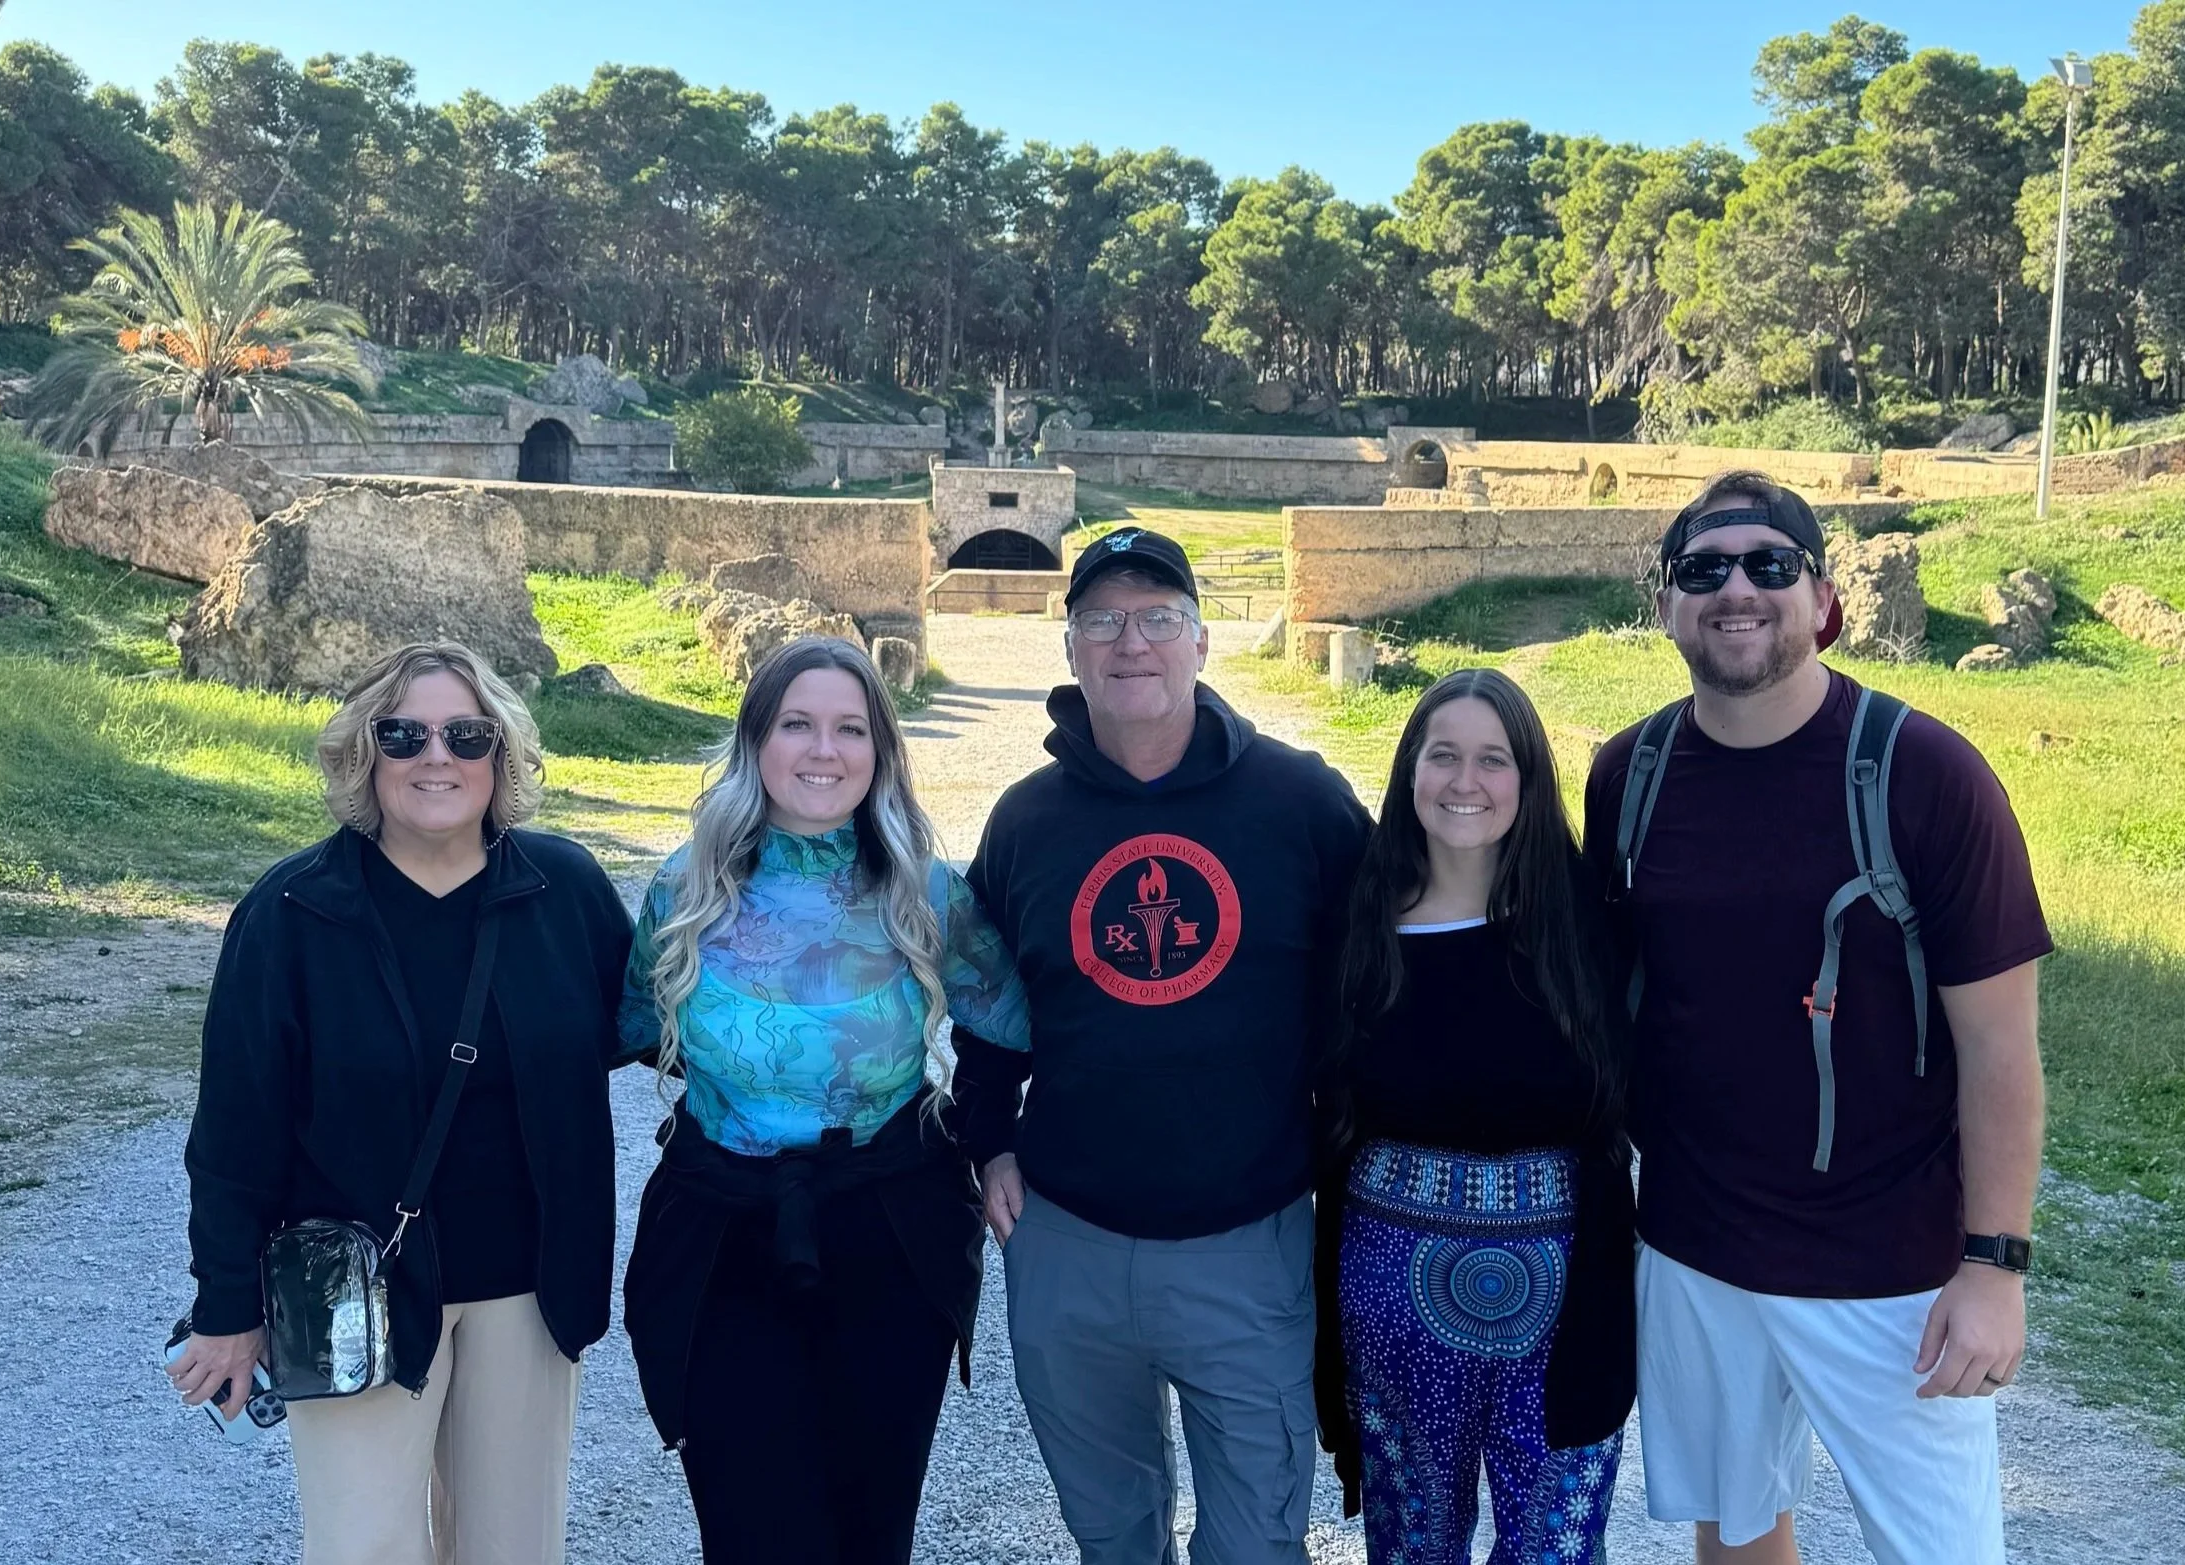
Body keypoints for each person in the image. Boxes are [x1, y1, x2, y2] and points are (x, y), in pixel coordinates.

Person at [1586, 471, 2051, 1565]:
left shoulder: (1926, 773)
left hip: (1888, 1264)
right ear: (1665, 605)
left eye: (1768, 565)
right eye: (1703, 570)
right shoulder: (1630, 775)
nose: (1735, 590)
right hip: (1696, 1244)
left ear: (1823, 597)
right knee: (1737, 1530)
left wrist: (1993, 1268)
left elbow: (1999, 1046)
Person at [949, 526, 1372, 1565]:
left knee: (1257, 1538)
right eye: (1100, 620)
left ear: (1200, 641)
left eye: (1155, 617)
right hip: (1069, 1238)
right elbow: (989, 1001)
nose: (1128, 641)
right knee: (1109, 1532)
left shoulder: (1302, 802)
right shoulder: (1026, 820)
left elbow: (1375, 981)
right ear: (1071, 648)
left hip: (1246, 1237)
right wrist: (986, 1139)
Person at [178, 641, 634, 1565]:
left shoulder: (566, 892)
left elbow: (673, 1030)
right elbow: (235, 1128)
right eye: (405, 734)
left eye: (466, 734)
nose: (438, 756)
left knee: (515, 1549)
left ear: (500, 755)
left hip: (526, 1285)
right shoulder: (293, 913)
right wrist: (228, 1303)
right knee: (364, 1547)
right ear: (364, 753)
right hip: (355, 1288)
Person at [617, 635, 1030, 1565]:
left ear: (881, 751)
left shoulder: (926, 892)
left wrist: (992, 1138)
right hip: (722, 1233)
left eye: (850, 728)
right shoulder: (683, 890)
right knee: (752, 1527)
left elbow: (1005, 1021)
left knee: (868, 1531)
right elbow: (640, 1026)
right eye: (796, 724)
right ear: (755, 741)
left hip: (887, 1227)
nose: (823, 750)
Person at [1314, 668, 1636, 1565]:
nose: (1466, 781)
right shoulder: (1362, 923)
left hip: (1567, 1293)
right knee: (1415, 1543)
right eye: (1443, 755)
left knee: (1556, 1549)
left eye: (1494, 759)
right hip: (1392, 1288)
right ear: (1408, 771)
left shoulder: (1584, 921)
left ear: (1528, 780)